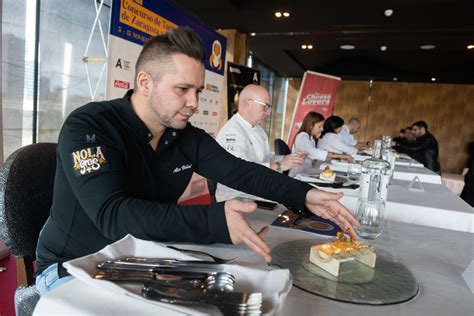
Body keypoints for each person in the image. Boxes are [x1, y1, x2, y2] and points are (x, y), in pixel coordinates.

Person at [35, 27, 358, 295]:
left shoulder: (185, 135)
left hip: (140, 258)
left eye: (199, 90)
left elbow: (241, 172)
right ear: (146, 82)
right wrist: (214, 222)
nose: (194, 103)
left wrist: (304, 194)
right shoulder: (90, 125)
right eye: (183, 89)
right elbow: (112, 215)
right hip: (72, 267)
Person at [215, 84, 307, 201]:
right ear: (249, 103)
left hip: (258, 189)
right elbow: (241, 173)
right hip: (238, 197)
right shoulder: (233, 132)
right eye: (265, 107)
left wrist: (288, 158)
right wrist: (280, 165)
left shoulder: (258, 129)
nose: (268, 113)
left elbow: (266, 158)